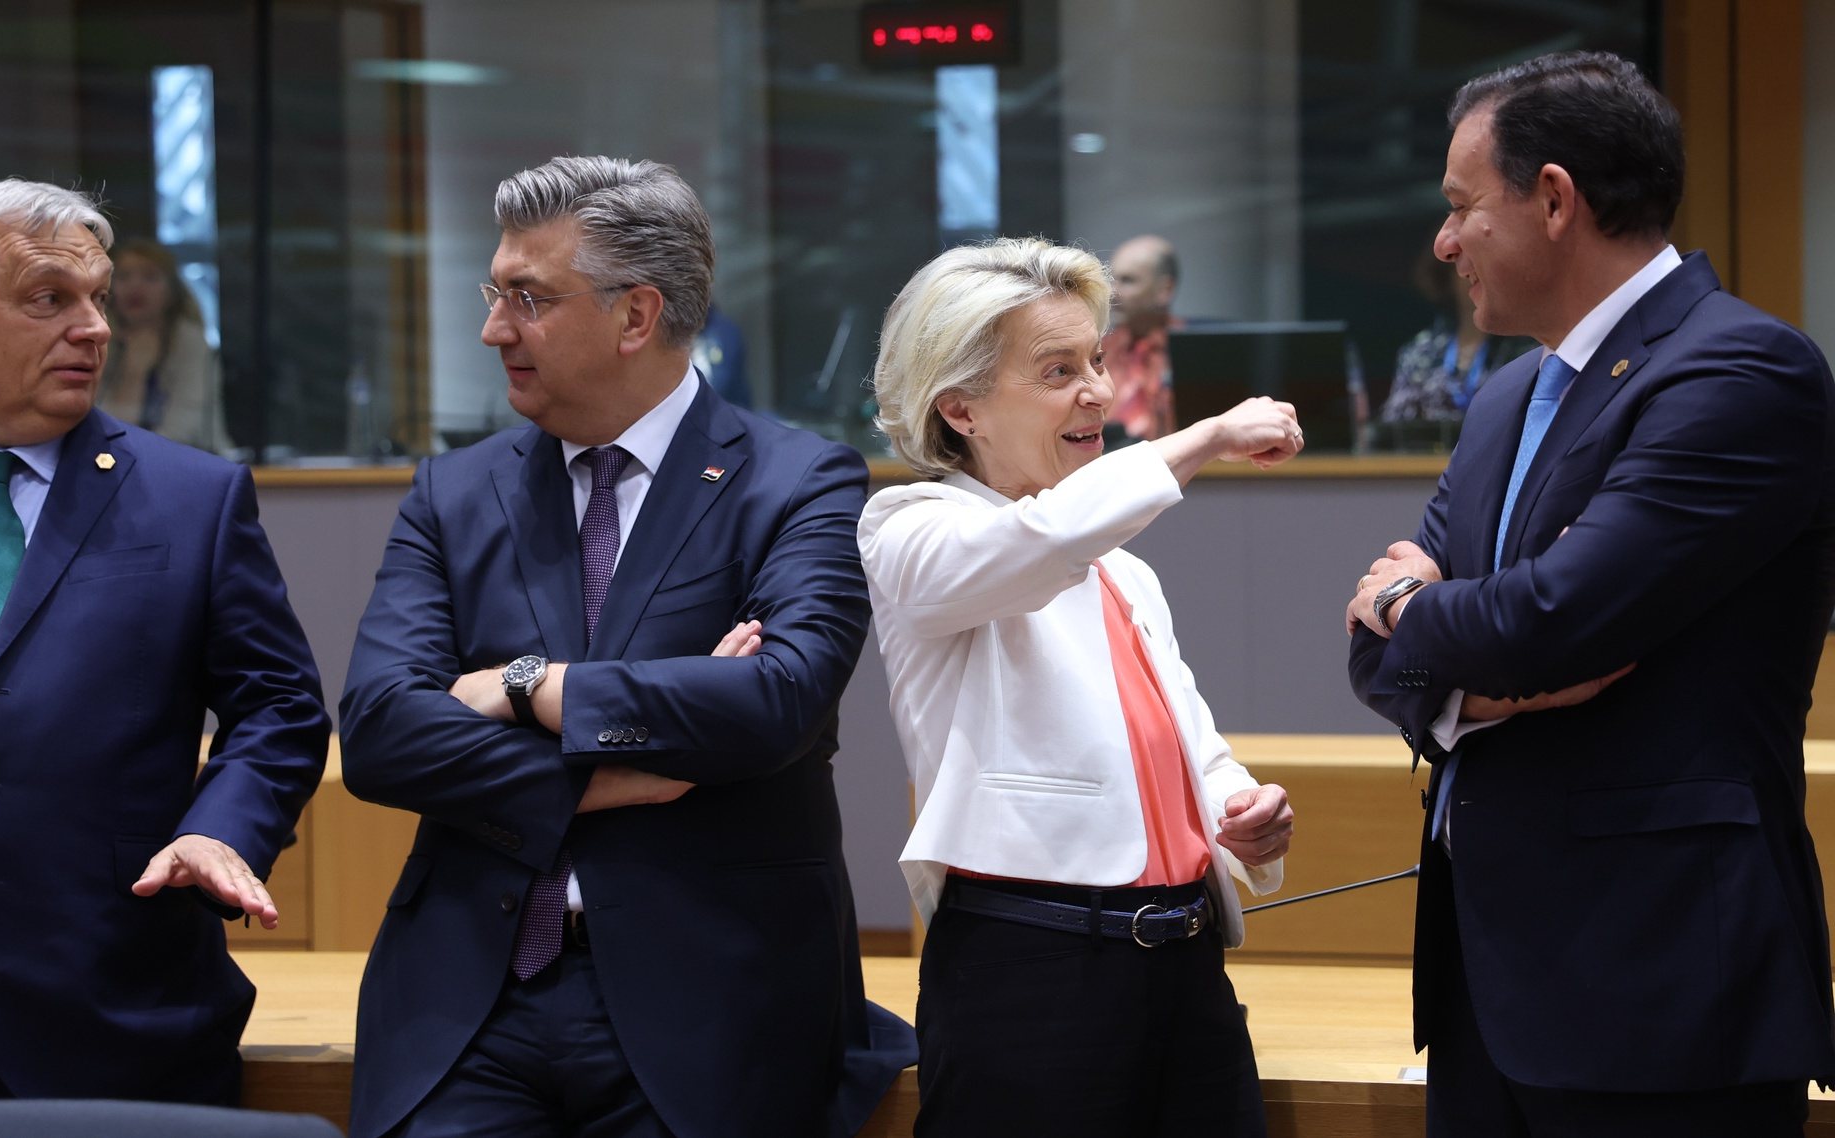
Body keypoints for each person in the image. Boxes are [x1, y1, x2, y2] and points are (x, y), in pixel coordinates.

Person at [339, 155, 914, 1138]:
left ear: (635, 315)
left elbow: (774, 702)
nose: (492, 329)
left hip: (716, 1011)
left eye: (527, 298)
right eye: (496, 293)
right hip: (466, 1010)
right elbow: (382, 731)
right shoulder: (453, 492)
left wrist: (521, 686)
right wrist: (606, 772)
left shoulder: (798, 481)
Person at [1345, 51, 1835, 1136]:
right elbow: (1380, 659)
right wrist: (1444, 653)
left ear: (1554, 198)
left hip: (1660, 990)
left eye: (1459, 207)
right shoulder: (1506, 392)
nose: (1441, 241)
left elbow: (1545, 622)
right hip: (1485, 990)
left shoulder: (1738, 371)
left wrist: (1412, 609)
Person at [0, 179, 329, 1105]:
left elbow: (282, 709)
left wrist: (220, 829)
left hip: (116, 1015)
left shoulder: (192, 499)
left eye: (98, 297)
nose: (95, 326)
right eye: (49, 299)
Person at [861, 236, 1302, 1136]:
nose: (1098, 392)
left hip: (1184, 964)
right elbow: (1037, 547)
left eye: (1097, 360)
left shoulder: (1121, 569)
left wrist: (1240, 808)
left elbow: (1194, 748)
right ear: (961, 407)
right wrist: (1209, 435)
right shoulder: (909, 526)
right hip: (1031, 971)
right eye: (1059, 370)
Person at [1376, 253, 1532, 448]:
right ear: (1446, 275)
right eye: (1462, 263)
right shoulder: (1419, 350)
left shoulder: (1527, 349)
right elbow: (1390, 426)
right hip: (1420, 466)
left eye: (1481, 263)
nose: (1472, 273)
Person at [99, 239, 232, 453]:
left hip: (191, 462)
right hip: (118, 462)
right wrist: (134, 375)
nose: (135, 286)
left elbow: (184, 429)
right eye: (123, 276)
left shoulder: (192, 342)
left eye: (149, 276)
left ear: (171, 291)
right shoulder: (101, 339)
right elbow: (100, 429)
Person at [1103, 233, 1186, 441]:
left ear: (1165, 289)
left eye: (1128, 281)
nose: (1113, 292)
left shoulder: (1193, 350)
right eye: (1112, 280)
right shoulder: (1099, 349)